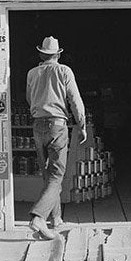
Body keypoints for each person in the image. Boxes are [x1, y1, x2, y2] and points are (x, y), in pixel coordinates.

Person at [25, 35, 85, 239]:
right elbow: (75, 100)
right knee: (57, 175)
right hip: (57, 125)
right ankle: (39, 217)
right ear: (58, 55)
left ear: (41, 53)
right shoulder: (64, 71)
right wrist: (82, 125)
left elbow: (28, 97)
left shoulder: (32, 73)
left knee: (48, 175)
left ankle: (56, 218)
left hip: (37, 125)